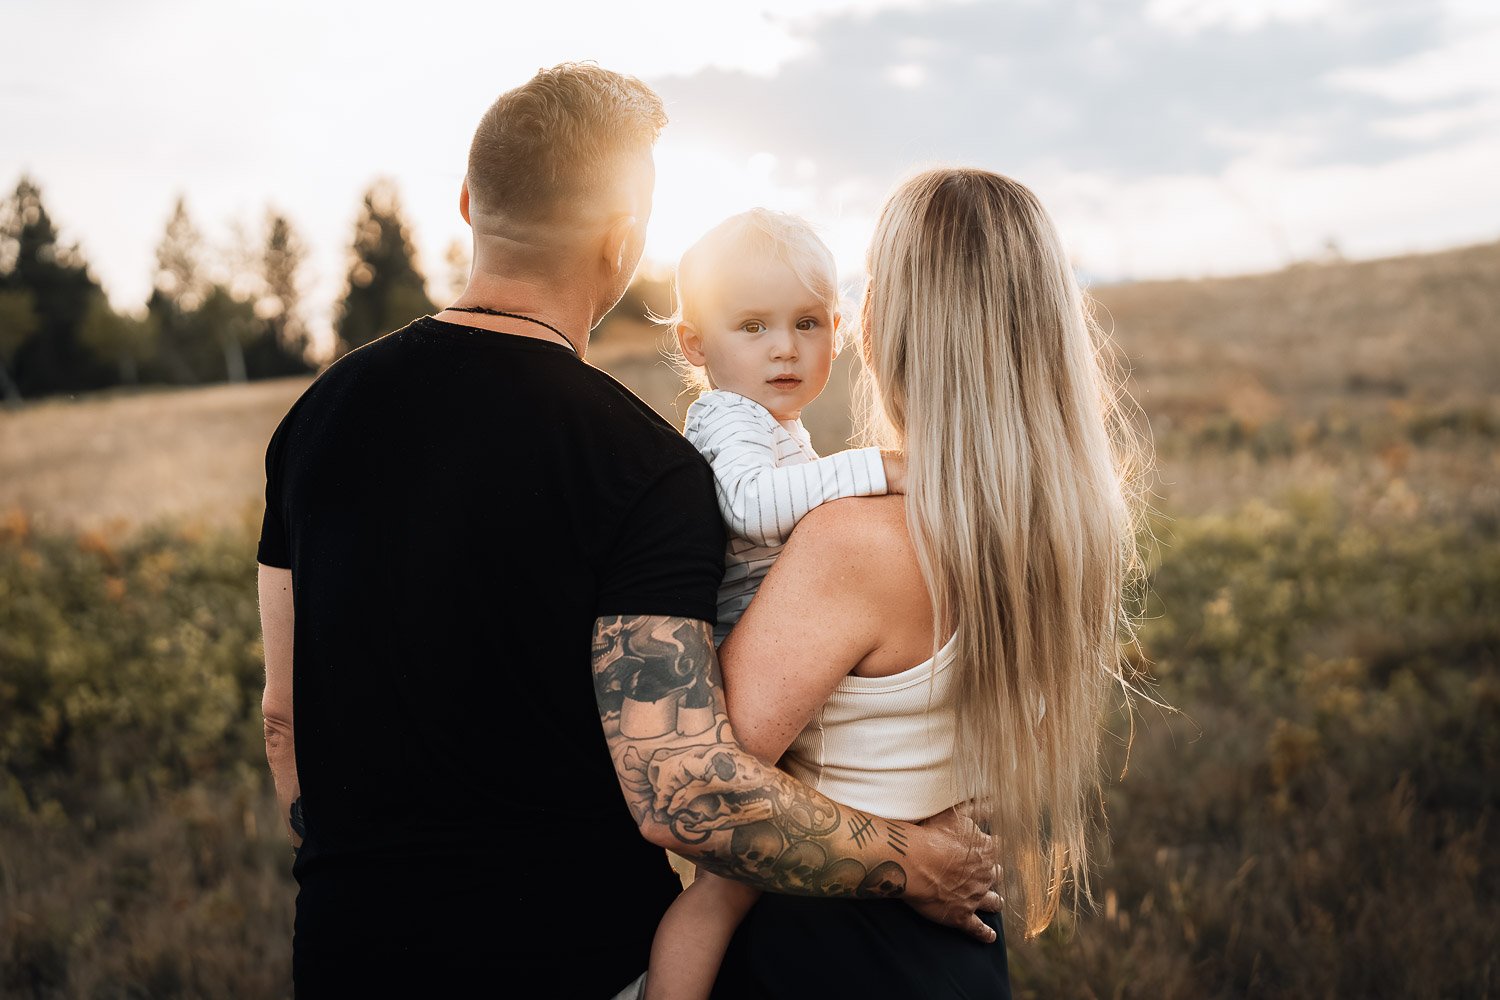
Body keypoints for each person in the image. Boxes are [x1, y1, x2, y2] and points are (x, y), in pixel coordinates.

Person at [256, 65, 1002, 998]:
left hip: (343, 959)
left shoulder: (314, 420)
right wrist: (919, 864)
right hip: (568, 962)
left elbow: (283, 720)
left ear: (469, 204)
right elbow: (683, 792)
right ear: (623, 241)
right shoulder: (642, 467)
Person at [693, 168, 1156, 997]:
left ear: (873, 327)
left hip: (824, 952)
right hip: (960, 950)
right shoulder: (1069, 529)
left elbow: (706, 788)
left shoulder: (855, 543)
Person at [643, 209, 913, 998]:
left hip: (790, 661)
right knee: (721, 891)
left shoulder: (778, 425)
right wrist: (878, 469)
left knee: (774, 866)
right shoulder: (726, 417)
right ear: (697, 345)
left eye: (807, 323)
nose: (785, 348)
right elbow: (753, 506)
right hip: (749, 677)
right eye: (753, 326)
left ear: (838, 330)